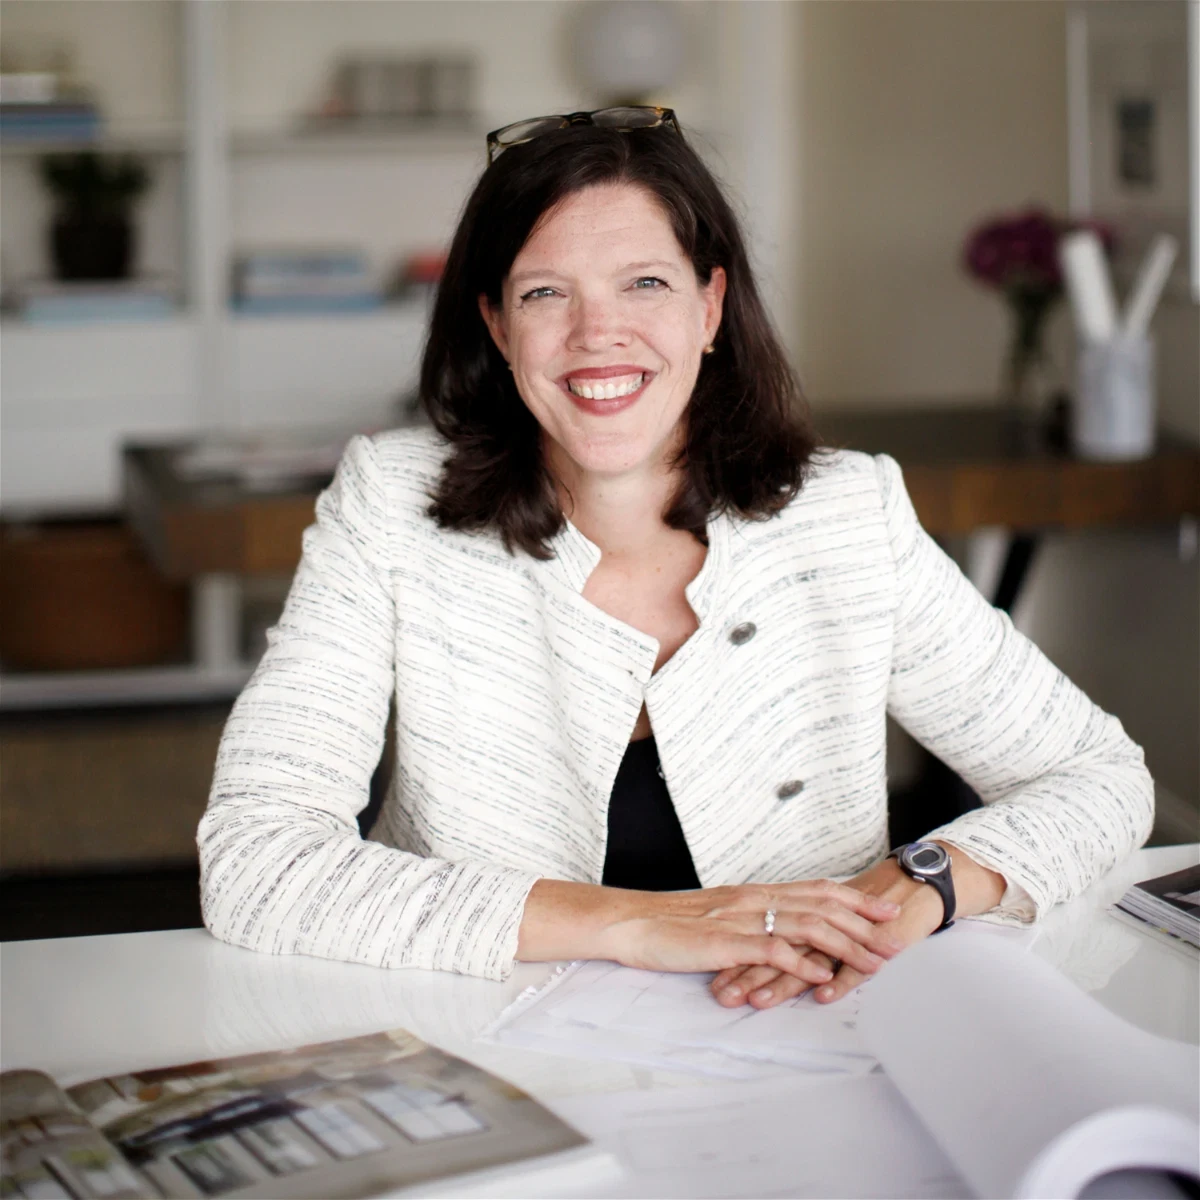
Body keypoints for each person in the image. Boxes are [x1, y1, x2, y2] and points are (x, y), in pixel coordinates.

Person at [198, 107, 1153, 1010]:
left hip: (804, 1038)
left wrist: (916, 891)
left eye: (645, 283)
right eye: (545, 293)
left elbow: (1098, 777)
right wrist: (640, 925)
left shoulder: (846, 514)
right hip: (480, 1046)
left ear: (710, 304)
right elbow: (256, 859)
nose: (596, 334)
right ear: (496, 326)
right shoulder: (390, 506)